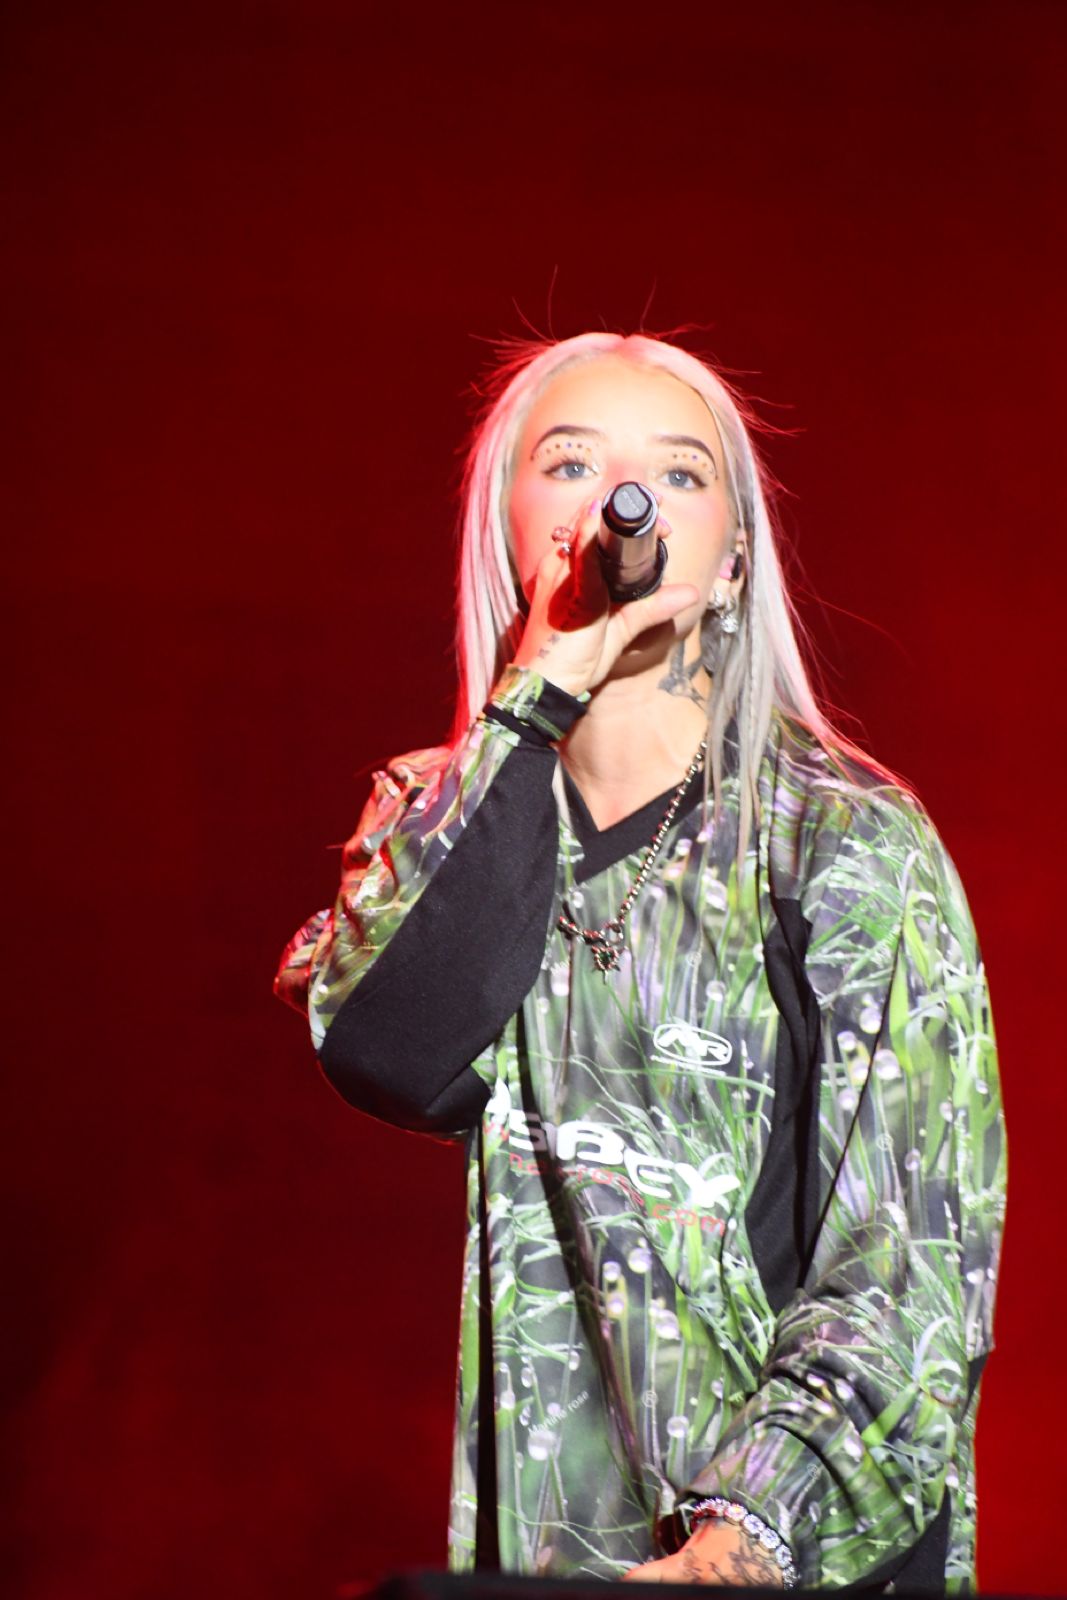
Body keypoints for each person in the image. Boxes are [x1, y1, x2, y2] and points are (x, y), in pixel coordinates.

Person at [274, 331, 1006, 1591]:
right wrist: (535, 691)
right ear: (507, 529)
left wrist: (742, 1541)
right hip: (552, 1555)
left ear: (731, 558)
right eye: (570, 463)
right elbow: (388, 1048)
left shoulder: (841, 840)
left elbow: (914, 1265)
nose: (625, 499)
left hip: (797, 1558)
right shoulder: (437, 815)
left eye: (677, 472)